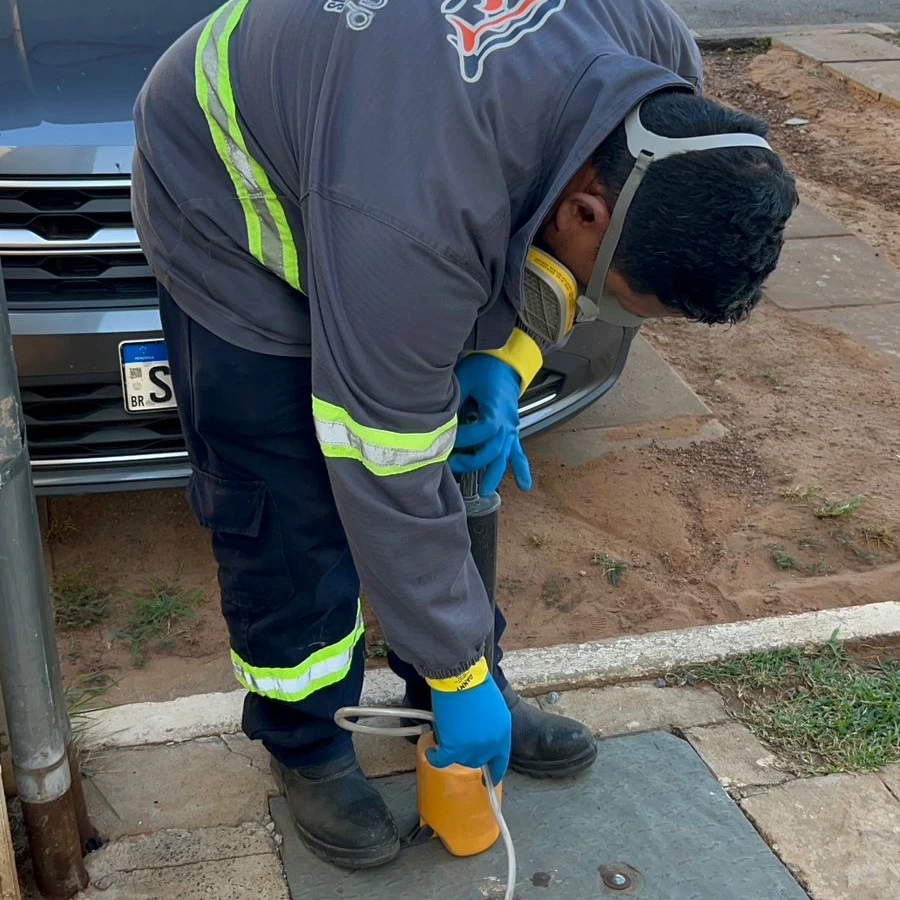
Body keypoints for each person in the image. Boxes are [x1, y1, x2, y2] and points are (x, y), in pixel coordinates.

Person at [131, 0, 797, 871]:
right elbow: (382, 459)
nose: (593, 309)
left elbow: (524, 241)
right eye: (611, 297)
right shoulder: (411, 217)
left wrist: (509, 357)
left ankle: (456, 677)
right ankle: (310, 742)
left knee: (435, 444)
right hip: (231, 195)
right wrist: (459, 675)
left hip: (384, 152)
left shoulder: (654, 59)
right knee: (288, 497)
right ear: (586, 213)